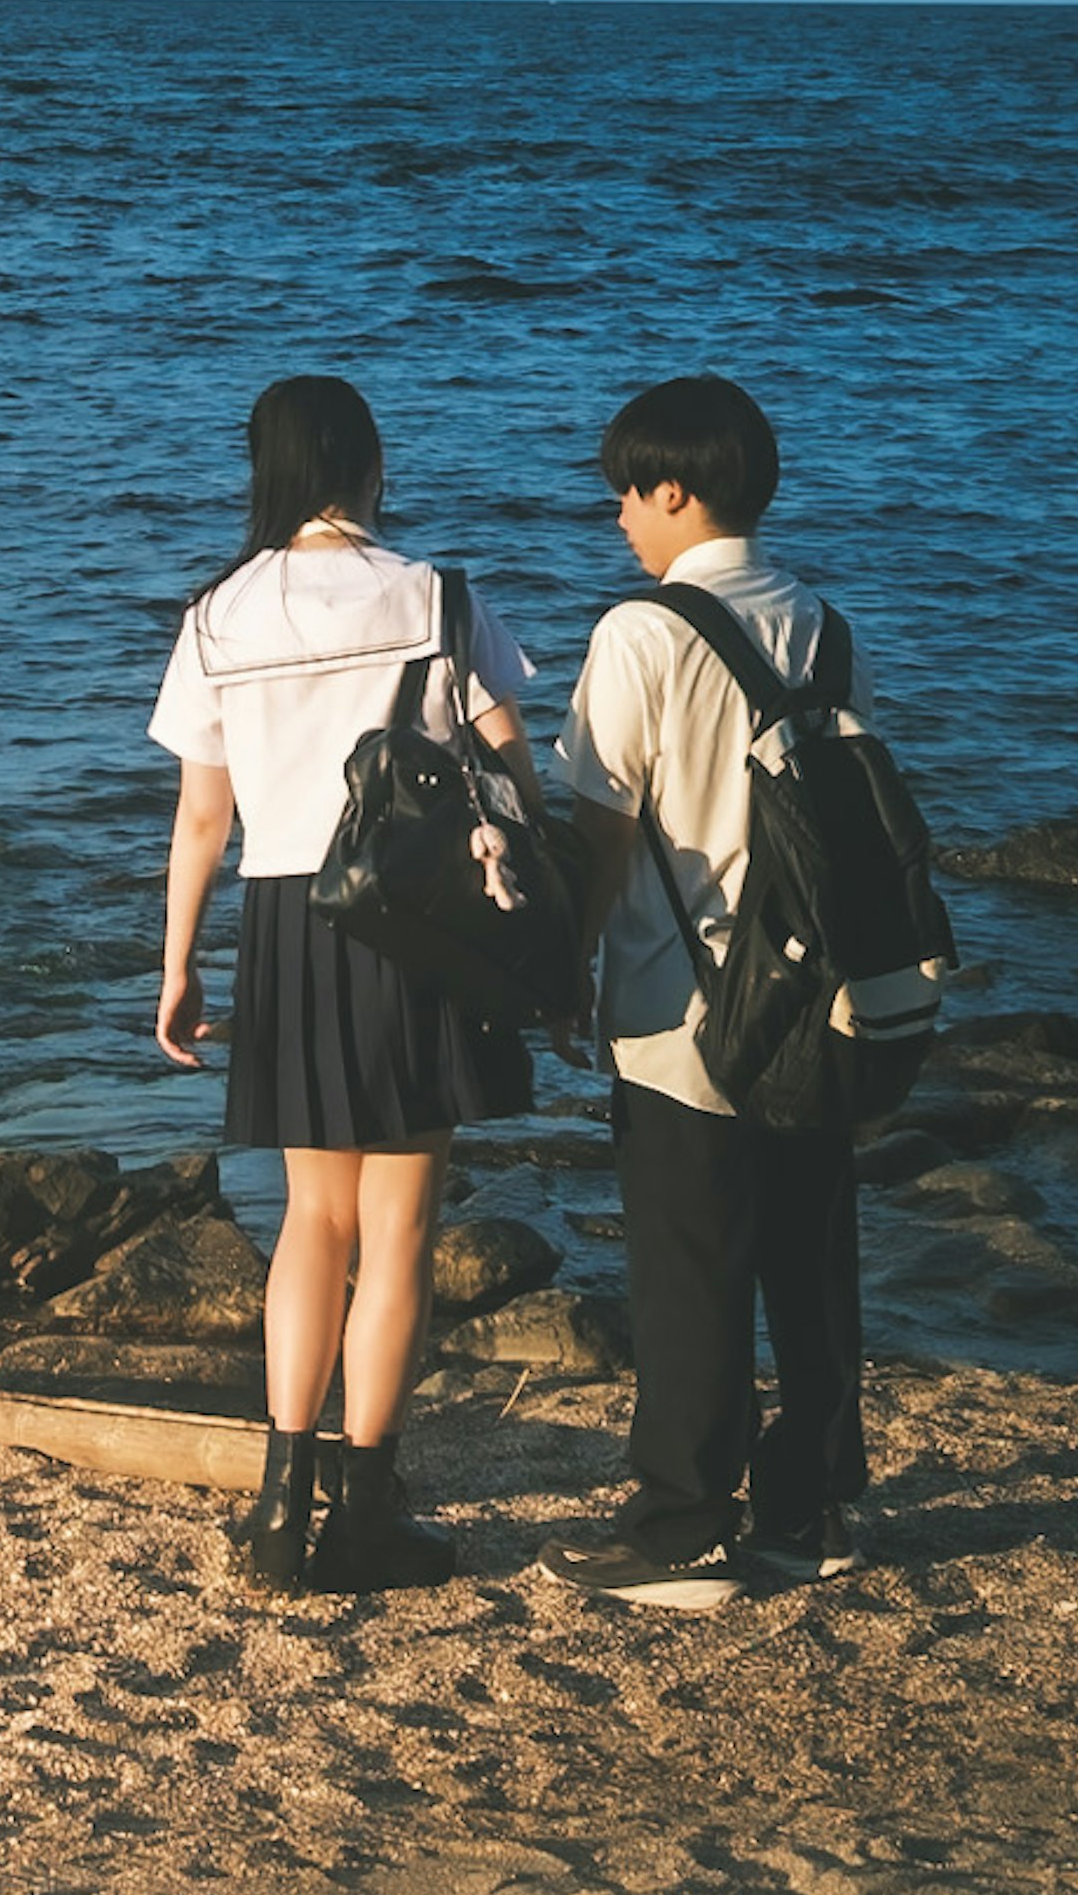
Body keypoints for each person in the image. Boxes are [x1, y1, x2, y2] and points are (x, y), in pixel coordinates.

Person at [152, 372, 553, 1593]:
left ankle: (282, 1508)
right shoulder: (433, 593)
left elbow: (202, 812)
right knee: (400, 1227)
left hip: (285, 920)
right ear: (369, 464)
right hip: (410, 917)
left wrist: (177, 964)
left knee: (309, 1221)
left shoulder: (219, 613)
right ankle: (367, 1506)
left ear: (263, 467)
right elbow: (513, 769)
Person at [535, 371, 871, 1609]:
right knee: (810, 1260)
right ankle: (818, 1510)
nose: (622, 517)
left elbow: (604, 831)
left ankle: (682, 1530)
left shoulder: (643, 632)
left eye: (629, 493)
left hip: (684, 1010)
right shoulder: (828, 626)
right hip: (820, 999)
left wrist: (564, 966)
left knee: (691, 1270)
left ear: (675, 488)